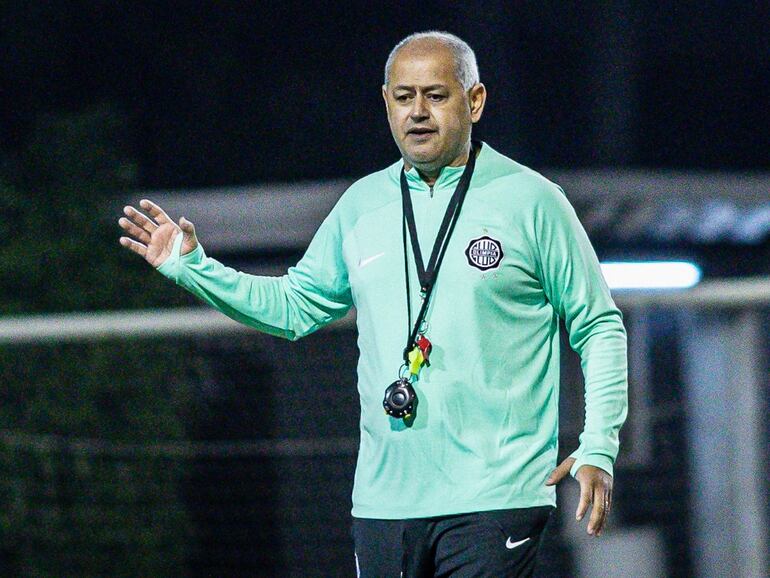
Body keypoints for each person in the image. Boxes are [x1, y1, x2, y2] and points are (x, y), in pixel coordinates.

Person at [119, 31, 627, 578]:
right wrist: (193, 268)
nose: (418, 113)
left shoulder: (533, 201)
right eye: (404, 97)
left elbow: (598, 323)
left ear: (474, 101)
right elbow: (294, 306)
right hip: (385, 503)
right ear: (386, 103)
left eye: (436, 95)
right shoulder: (361, 205)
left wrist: (598, 442)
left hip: (495, 494)